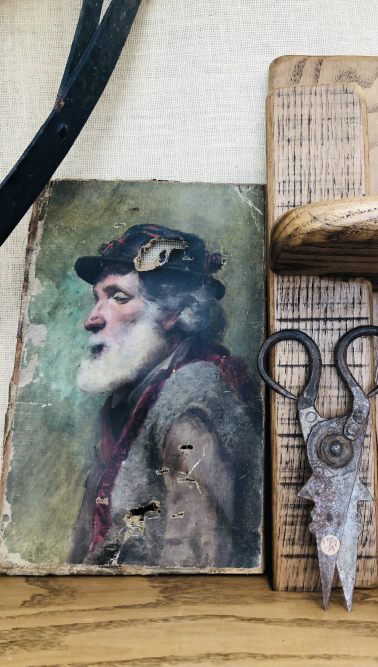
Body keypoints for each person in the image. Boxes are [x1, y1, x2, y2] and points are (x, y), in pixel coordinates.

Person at [68, 224, 263, 570]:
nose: (92, 319)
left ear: (172, 313)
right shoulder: (129, 400)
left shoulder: (193, 409)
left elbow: (192, 567)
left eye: (118, 297)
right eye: (97, 298)